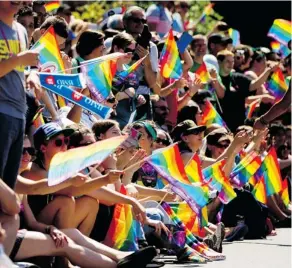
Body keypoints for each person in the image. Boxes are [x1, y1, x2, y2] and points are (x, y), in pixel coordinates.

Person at [0, 1, 40, 190]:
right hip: (1, 111)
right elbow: (16, 62)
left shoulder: (21, 31)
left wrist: (31, 74)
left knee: (8, 185)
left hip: (18, 114)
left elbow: (19, 68)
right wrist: (19, 59)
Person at [216, 49, 279, 132]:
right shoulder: (214, 78)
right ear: (219, 62)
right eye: (227, 61)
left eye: (232, 61)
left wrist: (268, 71)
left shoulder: (236, 77)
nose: (231, 64)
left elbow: (254, 85)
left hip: (238, 123)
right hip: (220, 122)